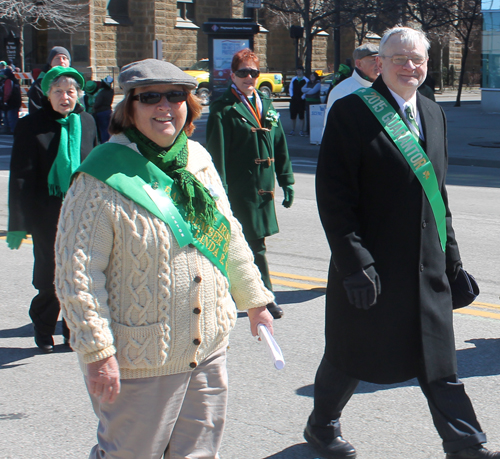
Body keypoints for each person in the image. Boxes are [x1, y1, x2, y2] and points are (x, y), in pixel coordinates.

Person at [54, 58, 275, 459]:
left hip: (207, 349)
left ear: (188, 105)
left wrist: (255, 299)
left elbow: (227, 235)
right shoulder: (99, 177)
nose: (164, 106)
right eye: (150, 97)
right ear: (129, 108)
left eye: (175, 96)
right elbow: (78, 275)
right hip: (141, 358)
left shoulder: (197, 160)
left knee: (199, 454)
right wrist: (97, 352)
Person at [306, 26, 500, 459]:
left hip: (426, 266)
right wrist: (354, 263)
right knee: (349, 356)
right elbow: (334, 197)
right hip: (372, 266)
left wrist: (452, 262)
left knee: (439, 362)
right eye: (399, 59)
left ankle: (465, 442)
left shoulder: (433, 113)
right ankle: (321, 426)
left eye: (418, 60)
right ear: (381, 63)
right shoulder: (352, 112)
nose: (409, 67)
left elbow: (439, 197)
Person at [7, 66, 98, 353]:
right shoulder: (31, 126)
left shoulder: (87, 121)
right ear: (48, 94)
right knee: (50, 275)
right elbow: (20, 176)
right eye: (58, 91)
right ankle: (44, 326)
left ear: (78, 95)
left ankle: (73, 331)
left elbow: (96, 167)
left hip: (82, 212)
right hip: (46, 214)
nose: (65, 97)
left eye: (70, 92)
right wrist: (19, 223)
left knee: (80, 273)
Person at [206, 48, 295, 319]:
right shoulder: (223, 108)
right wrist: (218, 192)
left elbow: (280, 145)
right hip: (238, 190)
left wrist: (286, 180)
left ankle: (234, 292)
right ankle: (265, 297)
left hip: (263, 190)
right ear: (232, 75)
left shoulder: (266, 105)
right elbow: (216, 154)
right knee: (253, 245)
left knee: (249, 243)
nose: (249, 78)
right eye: (243, 72)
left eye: (253, 73)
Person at [323, 43, 380, 132]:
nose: (379, 64)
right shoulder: (342, 91)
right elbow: (332, 132)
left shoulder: (387, 87)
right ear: (359, 64)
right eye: (374, 60)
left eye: (381, 60)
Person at [28, 46, 71, 114]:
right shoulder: (40, 84)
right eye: (57, 58)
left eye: (64, 58)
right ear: (50, 63)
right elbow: (35, 110)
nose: (61, 61)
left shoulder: (75, 82)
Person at [92, 75, 114, 142]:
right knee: (108, 129)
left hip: (101, 113)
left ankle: (104, 144)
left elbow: (98, 103)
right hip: (108, 111)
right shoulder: (111, 91)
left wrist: (93, 107)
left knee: (103, 130)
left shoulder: (102, 93)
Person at [288, 66, 308, 136]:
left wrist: (303, 96)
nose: (299, 72)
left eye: (300, 70)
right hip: (294, 100)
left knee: (301, 116)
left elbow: (307, 89)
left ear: (303, 71)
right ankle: (292, 130)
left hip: (301, 100)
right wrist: (292, 95)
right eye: (297, 70)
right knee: (293, 116)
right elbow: (290, 88)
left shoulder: (306, 80)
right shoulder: (294, 79)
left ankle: (301, 130)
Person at [2, 67, 22, 134]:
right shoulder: (15, 80)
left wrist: (4, 101)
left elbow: (7, 92)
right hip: (16, 101)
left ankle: (11, 130)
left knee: (10, 118)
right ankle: (15, 130)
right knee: (14, 118)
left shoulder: (8, 81)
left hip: (10, 102)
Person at [301, 71, 321, 135]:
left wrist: (306, 91)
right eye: (311, 76)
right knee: (308, 117)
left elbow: (313, 91)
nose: (312, 77)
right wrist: (309, 89)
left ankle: (314, 131)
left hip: (315, 102)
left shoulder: (318, 83)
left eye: (313, 76)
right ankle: (308, 131)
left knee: (314, 118)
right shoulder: (308, 83)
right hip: (307, 102)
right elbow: (302, 89)